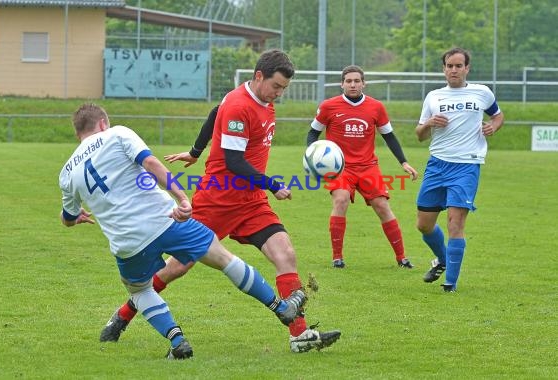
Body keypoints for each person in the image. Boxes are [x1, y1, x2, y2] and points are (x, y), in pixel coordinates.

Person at [99, 49, 341, 353]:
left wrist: (195, 151)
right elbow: (234, 161)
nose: (279, 94)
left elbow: (215, 111)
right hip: (218, 199)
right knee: (175, 268)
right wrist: (273, 184)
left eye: (283, 88)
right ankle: (122, 316)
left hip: (251, 202)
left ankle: (299, 336)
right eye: (276, 86)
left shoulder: (258, 100)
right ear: (258, 77)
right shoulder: (241, 105)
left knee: (286, 254)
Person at [59, 103, 307, 359]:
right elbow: (152, 163)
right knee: (222, 257)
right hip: (165, 220)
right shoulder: (117, 133)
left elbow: (68, 218)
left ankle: (177, 341)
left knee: (140, 290)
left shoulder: (67, 172)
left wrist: (75, 217)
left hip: (127, 242)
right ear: (102, 124)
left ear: (78, 133)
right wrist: (181, 197)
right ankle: (280, 307)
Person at [306, 65, 418, 269]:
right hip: (340, 168)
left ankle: (402, 258)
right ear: (342, 84)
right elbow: (313, 133)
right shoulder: (329, 106)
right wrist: (312, 155)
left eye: (357, 81)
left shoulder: (376, 107)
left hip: (368, 167)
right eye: (348, 81)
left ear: (363, 83)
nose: (353, 84)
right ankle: (337, 258)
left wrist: (404, 162)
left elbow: (389, 136)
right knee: (341, 200)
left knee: (382, 206)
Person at [415, 47, 504, 292]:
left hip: (466, 165)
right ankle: (443, 259)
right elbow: (420, 135)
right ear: (444, 69)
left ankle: (450, 284)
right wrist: (430, 123)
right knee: (423, 224)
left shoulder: (482, 92)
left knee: (456, 223)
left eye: (458, 66)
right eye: (449, 66)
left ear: (467, 68)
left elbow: (497, 115)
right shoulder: (433, 97)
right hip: (437, 164)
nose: (454, 70)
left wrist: (493, 127)